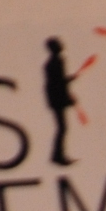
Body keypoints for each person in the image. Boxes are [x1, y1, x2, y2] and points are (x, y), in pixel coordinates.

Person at [42, 37, 77, 167]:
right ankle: (58, 156)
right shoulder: (56, 62)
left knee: (62, 127)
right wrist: (67, 97)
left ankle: (57, 155)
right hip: (57, 98)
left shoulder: (52, 63)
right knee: (62, 128)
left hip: (54, 97)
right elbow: (59, 83)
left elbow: (58, 82)